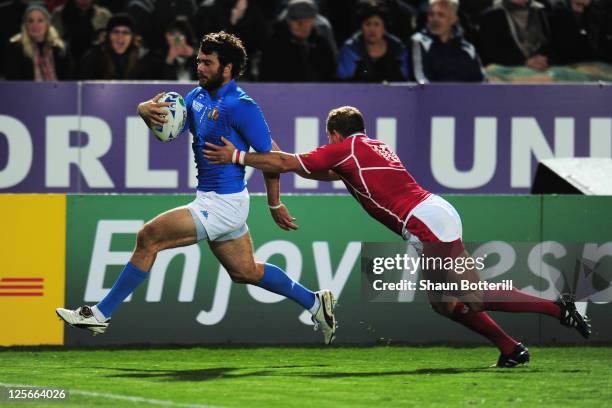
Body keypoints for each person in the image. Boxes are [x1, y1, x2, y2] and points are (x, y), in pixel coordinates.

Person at [203, 105, 592, 367]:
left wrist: (238, 157)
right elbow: (309, 170)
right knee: (443, 303)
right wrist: (275, 156)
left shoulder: (347, 148)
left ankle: (559, 308)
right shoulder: (368, 146)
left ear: (335, 133)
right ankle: (511, 349)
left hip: (425, 222)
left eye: (328, 136)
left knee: (473, 295)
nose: (328, 142)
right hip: (432, 213)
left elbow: (291, 164)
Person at [56, 32, 338, 345]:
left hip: (224, 204)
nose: (199, 67)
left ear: (227, 68)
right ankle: (315, 302)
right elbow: (168, 122)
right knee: (245, 271)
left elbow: (271, 157)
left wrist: (274, 204)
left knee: (148, 237)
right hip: (211, 199)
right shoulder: (197, 97)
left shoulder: (241, 106)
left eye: (207, 62)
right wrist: (142, 109)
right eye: (199, 61)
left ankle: (100, 314)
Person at [260, 0, 336, 82]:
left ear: (313, 21)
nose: (302, 25)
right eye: (296, 19)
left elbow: (329, 76)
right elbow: (268, 77)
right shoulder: (273, 45)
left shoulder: (322, 45)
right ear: (288, 21)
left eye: (307, 20)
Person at [411, 0, 485, 83]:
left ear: (453, 19)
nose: (435, 19)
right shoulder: (420, 42)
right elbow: (421, 81)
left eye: (441, 15)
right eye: (431, 14)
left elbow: (480, 82)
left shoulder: (468, 49)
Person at [337, 0, 409, 82]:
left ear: (384, 27)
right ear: (361, 27)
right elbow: (344, 84)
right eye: (368, 24)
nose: (372, 30)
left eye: (377, 24)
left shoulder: (398, 49)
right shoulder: (350, 49)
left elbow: (406, 82)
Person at [77, 13, 158, 80]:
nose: (120, 36)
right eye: (116, 32)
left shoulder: (143, 59)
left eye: (125, 32)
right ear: (108, 36)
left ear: (132, 37)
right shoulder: (94, 57)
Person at [4, 3, 73, 80]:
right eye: (30, 21)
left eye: (40, 20)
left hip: (57, 91)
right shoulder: (15, 48)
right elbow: (13, 82)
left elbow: (69, 81)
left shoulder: (61, 48)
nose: (35, 25)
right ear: (25, 25)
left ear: (47, 24)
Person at [478, 0, 553, 71]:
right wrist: (524, 62)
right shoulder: (490, 16)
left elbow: (555, 46)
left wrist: (544, 60)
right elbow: (490, 55)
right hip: (507, 75)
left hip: (545, 70)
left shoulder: (545, 11)